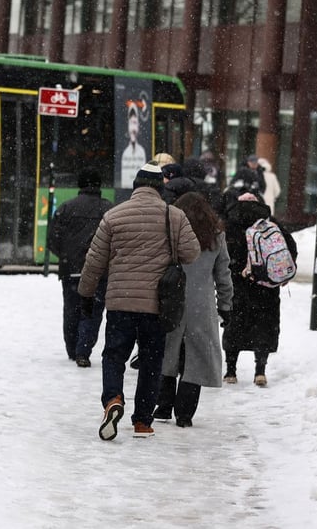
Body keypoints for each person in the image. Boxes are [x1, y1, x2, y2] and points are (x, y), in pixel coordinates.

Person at [79, 163, 200, 440]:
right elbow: (191, 253)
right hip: (157, 305)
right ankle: (143, 422)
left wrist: (86, 293)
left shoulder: (114, 216)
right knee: (151, 361)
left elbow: (94, 261)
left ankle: (113, 399)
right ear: (161, 188)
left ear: (136, 187)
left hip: (120, 301)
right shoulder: (175, 216)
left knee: (114, 355)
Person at [153, 192, 234, 428]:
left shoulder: (171, 233)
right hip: (202, 304)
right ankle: (185, 413)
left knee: (169, 353)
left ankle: (164, 405)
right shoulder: (216, 237)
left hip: (172, 299)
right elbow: (223, 274)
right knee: (196, 358)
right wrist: (225, 305)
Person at [222, 192, 297, 387]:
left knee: (234, 325)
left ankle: (231, 371)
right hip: (266, 286)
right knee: (264, 325)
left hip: (237, 284)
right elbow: (290, 248)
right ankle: (260, 372)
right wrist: (283, 273)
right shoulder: (270, 224)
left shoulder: (230, 223)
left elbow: (222, 254)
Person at [46, 168, 113, 368]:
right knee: (92, 312)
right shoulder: (109, 210)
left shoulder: (65, 209)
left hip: (70, 270)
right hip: (98, 272)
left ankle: (72, 347)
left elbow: (52, 239)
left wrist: (66, 256)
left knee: (71, 309)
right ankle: (83, 350)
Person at [119, 106, 147, 189]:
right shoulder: (125, 153)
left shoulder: (142, 152)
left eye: (135, 123)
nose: (133, 129)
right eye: (131, 123)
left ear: (138, 126)